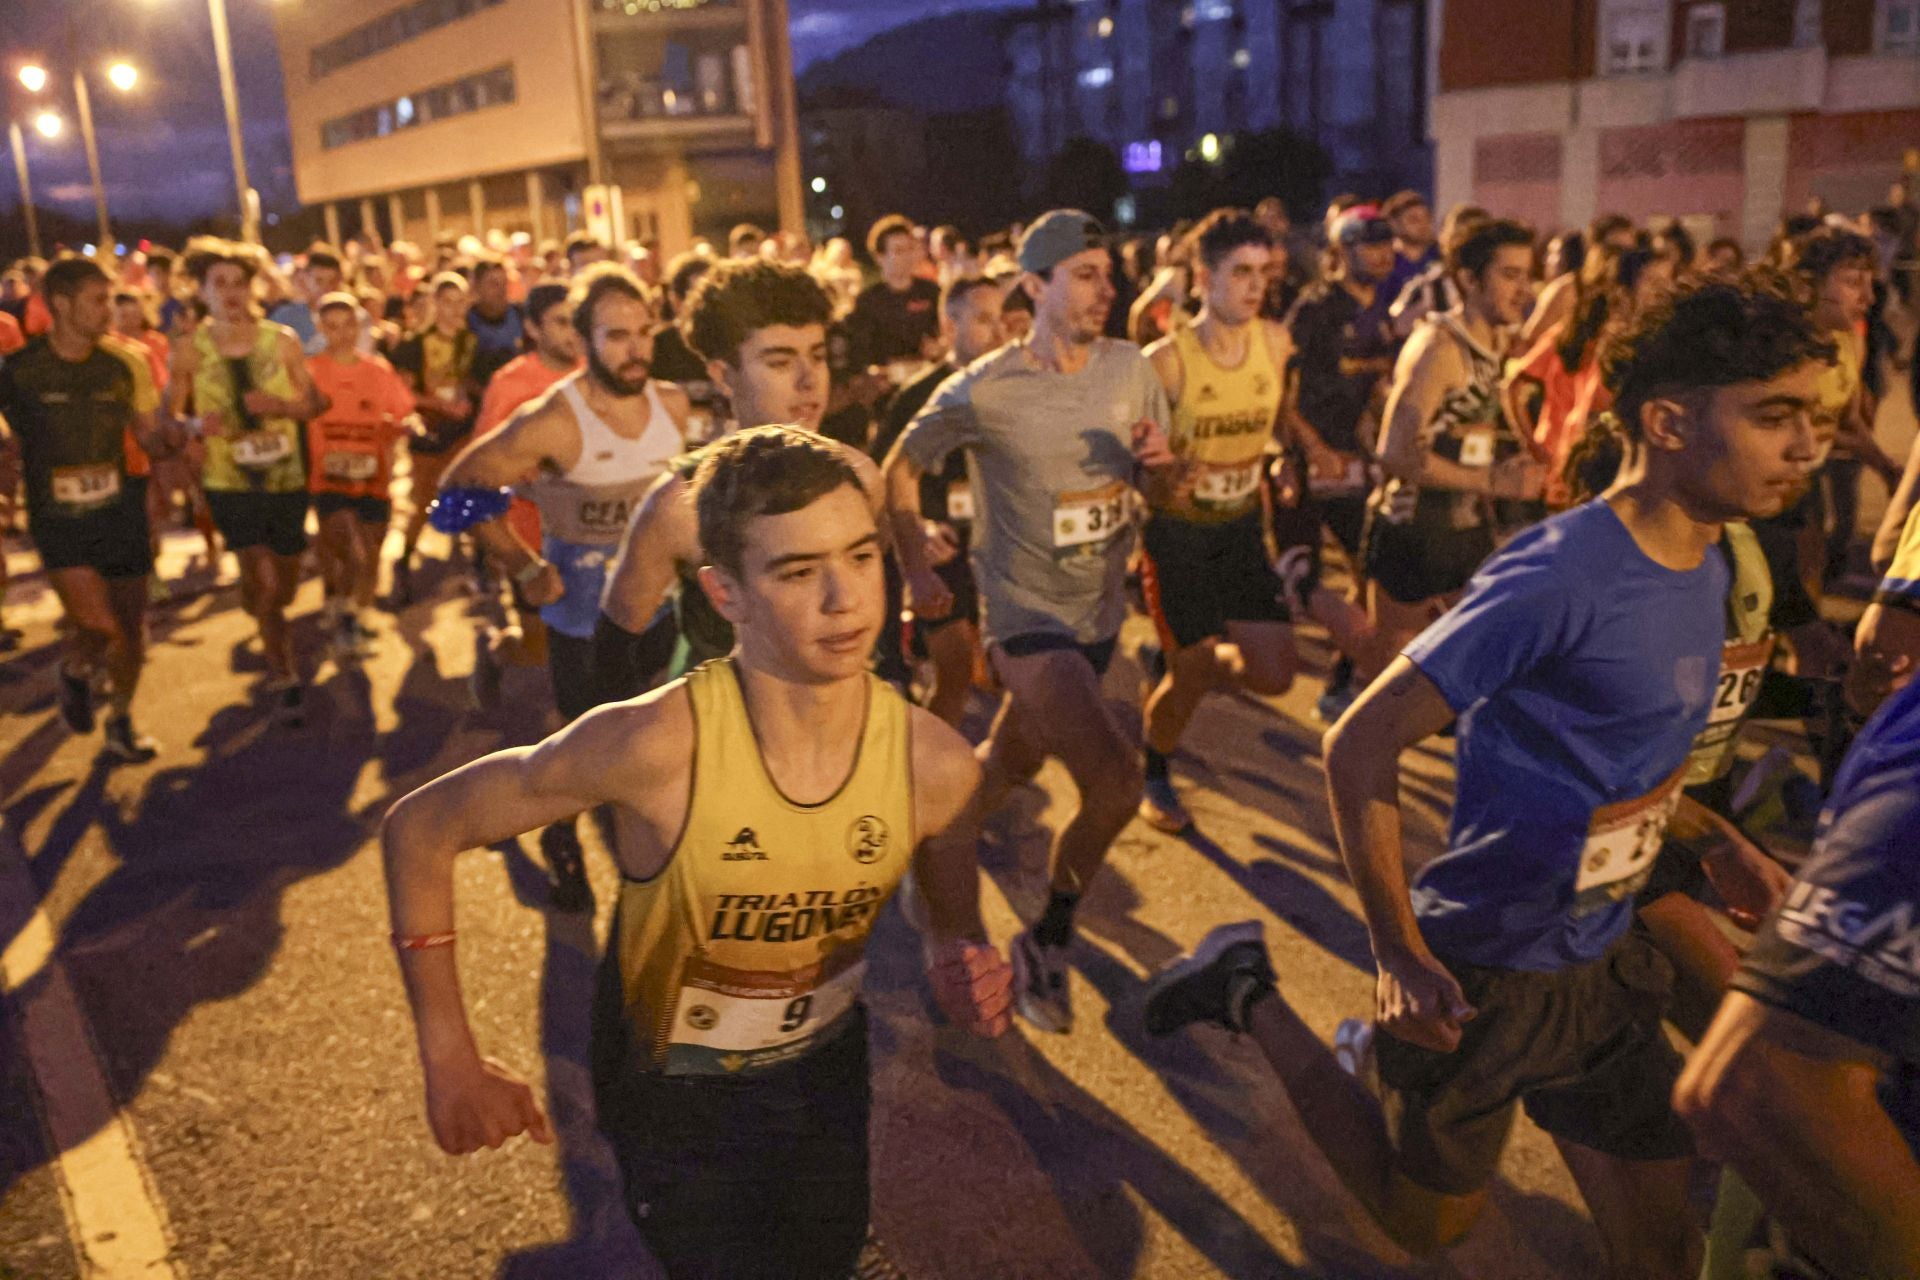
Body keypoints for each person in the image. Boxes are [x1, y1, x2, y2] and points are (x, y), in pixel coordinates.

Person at [1141, 272, 1832, 1275]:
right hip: (1488, 974)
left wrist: (1714, 838)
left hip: (1603, 962)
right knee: (1425, 1223)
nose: (1807, 446)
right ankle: (1246, 990)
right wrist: (1395, 950)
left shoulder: (1715, 557)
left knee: (1659, 1249)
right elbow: (1359, 744)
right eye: (1777, 416)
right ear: (1671, 420)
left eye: (1810, 416)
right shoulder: (1558, 574)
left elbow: (1626, 763)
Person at [383, 425, 1012, 1280]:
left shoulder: (933, 765)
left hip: (823, 1074)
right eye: (797, 572)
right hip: (670, 1096)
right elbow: (422, 829)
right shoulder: (654, 746)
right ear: (726, 594)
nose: (846, 601)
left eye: (862, 558)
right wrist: (450, 1054)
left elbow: (954, 913)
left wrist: (956, 952)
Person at [884, 210, 1177, 1033]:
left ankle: (938, 841)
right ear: (1035, 286)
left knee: (1010, 760)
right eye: (1083, 274)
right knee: (1118, 780)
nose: (1104, 288)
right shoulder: (985, 388)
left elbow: (1169, 490)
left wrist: (1164, 472)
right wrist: (912, 563)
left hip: (1098, 614)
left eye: (1107, 274)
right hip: (1024, 620)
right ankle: (1048, 937)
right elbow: (897, 470)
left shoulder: (1131, 369)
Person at [1674, 535, 1920, 1279]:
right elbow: (1753, 1079)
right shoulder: (1584, 559)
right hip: (1539, 917)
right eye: (1777, 413)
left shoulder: (1757, 537)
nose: (1806, 441)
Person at [436, 265, 690, 912]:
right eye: (615, 336)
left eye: (642, 333)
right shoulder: (555, 418)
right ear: (584, 341)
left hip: (659, 611)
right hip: (583, 620)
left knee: (660, 740)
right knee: (582, 746)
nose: (633, 350)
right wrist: (524, 568)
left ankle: (658, 867)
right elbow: (456, 490)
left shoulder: (675, 405)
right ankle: (561, 837)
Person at [594, 258, 838, 703]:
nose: (809, 380)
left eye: (818, 356)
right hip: (725, 741)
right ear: (723, 375)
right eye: (781, 361)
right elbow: (613, 654)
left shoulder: (855, 475)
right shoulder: (682, 503)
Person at [1134, 210, 1300, 832]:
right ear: (1204, 277)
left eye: (1263, 273)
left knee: (1276, 675)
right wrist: (1161, 475)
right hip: (1177, 536)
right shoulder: (1167, 362)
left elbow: (1273, 422)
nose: (1256, 287)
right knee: (1196, 669)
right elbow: (1132, 466)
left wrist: (1282, 459)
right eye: (1241, 273)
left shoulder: (1276, 343)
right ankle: (1155, 768)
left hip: (1239, 530)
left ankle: (1178, 664)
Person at [0, 256, 170, 760]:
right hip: (59, 521)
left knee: (133, 635)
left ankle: (120, 718)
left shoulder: (125, 362)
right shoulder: (19, 371)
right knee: (99, 628)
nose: (109, 311)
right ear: (61, 304)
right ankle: (75, 670)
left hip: (120, 511)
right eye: (98, 301)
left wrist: (181, 437)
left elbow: (150, 436)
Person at [1362, 218, 1544, 666]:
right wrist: (1492, 481)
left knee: (1482, 661)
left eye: (1528, 274)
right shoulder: (1438, 347)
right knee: (1391, 676)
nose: (1524, 289)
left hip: (1467, 530)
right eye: (1509, 275)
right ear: (1468, 279)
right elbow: (1395, 451)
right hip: (1414, 532)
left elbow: (1469, 429)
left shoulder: (1499, 341)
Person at [170, 238, 321, 725]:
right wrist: (195, 427)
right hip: (228, 478)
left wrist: (281, 407)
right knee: (263, 576)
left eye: (239, 283)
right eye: (220, 284)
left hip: (285, 476)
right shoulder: (190, 350)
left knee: (287, 583)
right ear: (203, 292)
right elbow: (169, 416)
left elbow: (316, 404)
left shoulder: (280, 340)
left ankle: (264, 608)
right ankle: (286, 673)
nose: (232, 293)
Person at [867, 274, 1006, 727]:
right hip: (943, 552)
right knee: (955, 670)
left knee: (1018, 674)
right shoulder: (919, 397)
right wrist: (920, 530)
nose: (999, 332)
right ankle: (922, 770)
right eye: (984, 320)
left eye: (1003, 319)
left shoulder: (1018, 390)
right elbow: (879, 480)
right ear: (949, 326)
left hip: (1002, 553)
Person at [465, 282, 584, 693]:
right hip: (529, 537)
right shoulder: (509, 385)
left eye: (578, 321)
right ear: (533, 328)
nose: (573, 333)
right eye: (561, 322)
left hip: (591, 534)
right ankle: (499, 652)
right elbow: (479, 469)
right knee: (538, 650)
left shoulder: (596, 374)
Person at [305, 291, 418, 656]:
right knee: (352, 549)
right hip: (328, 479)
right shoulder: (310, 371)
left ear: (359, 325)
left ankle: (351, 607)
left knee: (369, 554)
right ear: (320, 328)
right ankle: (346, 625)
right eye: (332, 327)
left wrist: (409, 425)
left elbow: (405, 411)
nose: (342, 334)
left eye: (348, 324)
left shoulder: (377, 370)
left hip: (374, 478)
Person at [389, 271, 480, 604]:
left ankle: (474, 566)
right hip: (429, 433)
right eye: (448, 302)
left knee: (471, 494)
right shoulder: (414, 344)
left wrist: (470, 395)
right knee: (424, 503)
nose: (456, 310)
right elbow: (403, 394)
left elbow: (467, 379)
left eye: (461, 302)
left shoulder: (469, 341)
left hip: (462, 432)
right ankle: (403, 562)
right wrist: (441, 404)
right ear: (435, 303)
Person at [845, 214, 942, 380]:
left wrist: (939, 347)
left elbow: (946, 333)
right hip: (887, 385)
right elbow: (859, 355)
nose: (907, 256)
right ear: (880, 257)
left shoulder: (931, 292)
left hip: (928, 379)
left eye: (910, 248)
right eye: (898, 251)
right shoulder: (867, 302)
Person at [465, 256, 526, 392]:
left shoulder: (521, 315)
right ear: (476, 286)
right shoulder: (465, 322)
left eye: (504, 283)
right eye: (493, 284)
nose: (501, 290)